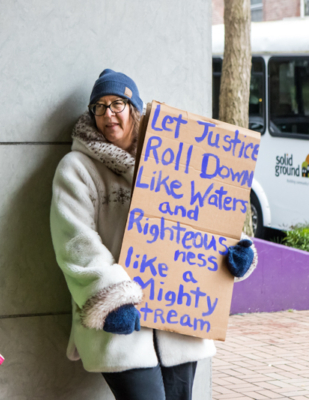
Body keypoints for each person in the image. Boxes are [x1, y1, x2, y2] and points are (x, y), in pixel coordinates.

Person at [50, 69, 258, 400]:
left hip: (180, 324)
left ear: (134, 108)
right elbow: (74, 240)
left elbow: (207, 216)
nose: (108, 114)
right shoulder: (76, 168)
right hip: (123, 326)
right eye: (99, 107)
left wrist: (237, 248)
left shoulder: (173, 157)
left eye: (117, 104)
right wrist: (111, 296)